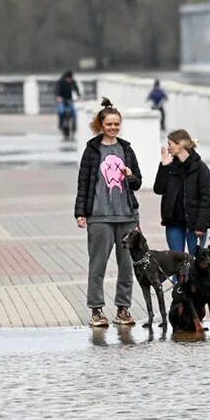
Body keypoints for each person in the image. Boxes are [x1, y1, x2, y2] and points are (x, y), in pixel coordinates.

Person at [74, 98, 143, 328]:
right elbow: (83, 183)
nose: (113, 128)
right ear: (101, 124)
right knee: (98, 265)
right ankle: (96, 310)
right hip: (99, 217)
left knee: (127, 266)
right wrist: (80, 213)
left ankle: (123, 309)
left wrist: (130, 176)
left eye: (116, 124)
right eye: (109, 124)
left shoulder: (126, 148)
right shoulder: (92, 150)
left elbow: (137, 183)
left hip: (127, 216)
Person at [154, 129, 210, 257]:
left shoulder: (200, 168)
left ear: (180, 145)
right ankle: (178, 279)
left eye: (170, 144)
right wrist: (163, 167)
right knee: (175, 263)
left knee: (195, 263)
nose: (168, 148)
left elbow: (207, 198)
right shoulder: (170, 167)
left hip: (195, 225)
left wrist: (201, 225)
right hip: (174, 223)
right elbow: (158, 189)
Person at [55, 71, 79, 139]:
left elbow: (76, 88)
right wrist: (58, 97)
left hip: (69, 99)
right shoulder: (60, 82)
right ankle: (61, 125)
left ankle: (74, 127)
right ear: (66, 78)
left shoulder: (72, 81)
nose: (70, 80)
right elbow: (57, 90)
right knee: (61, 112)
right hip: (61, 99)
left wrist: (78, 96)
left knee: (73, 113)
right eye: (69, 79)